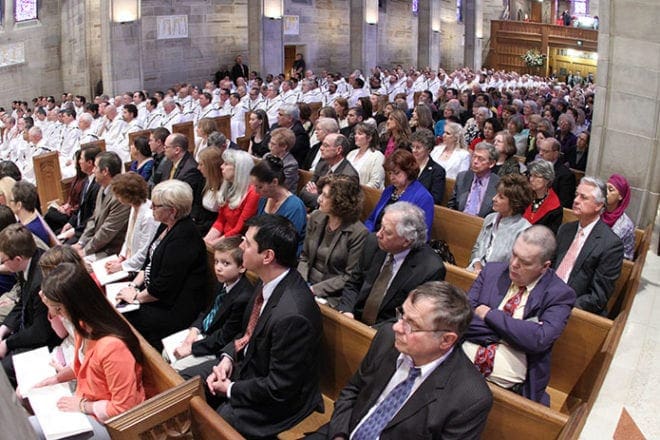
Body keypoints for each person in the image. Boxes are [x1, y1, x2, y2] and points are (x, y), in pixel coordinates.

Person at [312, 281, 492, 439]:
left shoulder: (470, 397)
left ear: (446, 340)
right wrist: (339, 435)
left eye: (411, 325)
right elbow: (352, 390)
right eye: (402, 315)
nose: (397, 327)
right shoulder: (387, 338)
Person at [198, 215, 323, 438]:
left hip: (283, 398)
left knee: (219, 423)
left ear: (267, 256)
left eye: (247, 242)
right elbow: (246, 333)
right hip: (250, 369)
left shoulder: (292, 315)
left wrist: (230, 388)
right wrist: (227, 359)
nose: (240, 246)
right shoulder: (268, 281)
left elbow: (280, 386)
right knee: (191, 382)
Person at [462, 226, 576, 405]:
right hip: (460, 370)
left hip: (511, 390)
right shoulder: (492, 272)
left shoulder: (559, 294)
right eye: (514, 254)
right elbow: (463, 319)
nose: (514, 264)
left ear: (544, 267)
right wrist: (514, 336)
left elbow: (539, 339)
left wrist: (491, 316)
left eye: (525, 262)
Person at [29, 262, 145, 438]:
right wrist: (56, 379)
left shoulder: (112, 347)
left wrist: (83, 406)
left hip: (112, 423)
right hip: (87, 400)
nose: (56, 313)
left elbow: (123, 408)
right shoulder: (83, 327)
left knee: (32, 430)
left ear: (76, 304)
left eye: (58, 308)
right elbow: (83, 364)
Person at [115, 180, 210, 350]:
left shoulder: (184, 238)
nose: (151, 208)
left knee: (121, 321)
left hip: (173, 308)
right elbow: (148, 263)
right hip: (153, 294)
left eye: (156, 206)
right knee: (116, 303)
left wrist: (135, 297)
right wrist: (132, 286)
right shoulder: (165, 225)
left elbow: (163, 289)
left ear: (172, 211)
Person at [337, 202, 445, 326]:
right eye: (381, 227)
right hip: (354, 319)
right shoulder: (372, 243)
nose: (378, 234)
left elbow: (411, 316)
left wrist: (373, 332)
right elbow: (354, 283)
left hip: (388, 331)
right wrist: (347, 311)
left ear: (406, 241)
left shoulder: (430, 269)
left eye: (387, 232)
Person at [170, 237, 253, 371]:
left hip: (216, 348)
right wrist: (194, 330)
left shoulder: (243, 297)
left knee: (176, 368)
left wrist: (191, 348)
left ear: (242, 267)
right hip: (203, 335)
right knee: (166, 352)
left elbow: (224, 337)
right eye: (216, 262)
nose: (218, 268)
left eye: (226, 263)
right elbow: (207, 311)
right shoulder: (222, 282)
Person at [553, 177, 624, 315]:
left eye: (583, 197)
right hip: (548, 296)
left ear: (598, 205)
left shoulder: (611, 244)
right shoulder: (565, 229)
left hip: (574, 310)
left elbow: (598, 297)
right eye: (576, 195)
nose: (576, 200)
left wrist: (562, 306)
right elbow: (550, 267)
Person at [0, 224, 60, 386]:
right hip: (31, 329)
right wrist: (3, 330)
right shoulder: (27, 262)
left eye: (3, 260)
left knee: (4, 370)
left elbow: (41, 333)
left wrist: (8, 343)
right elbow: (22, 302)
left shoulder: (39, 282)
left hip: (48, 342)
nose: (2, 263)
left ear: (17, 259)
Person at [298, 175, 368, 305]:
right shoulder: (316, 217)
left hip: (331, 296)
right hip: (305, 283)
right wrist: (301, 283)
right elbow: (304, 257)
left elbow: (348, 277)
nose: (319, 199)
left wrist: (314, 290)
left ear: (340, 201)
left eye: (325, 196)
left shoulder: (358, 233)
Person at [468, 174, 533, 273]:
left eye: (501, 197)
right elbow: (476, 248)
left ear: (514, 203)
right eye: (496, 194)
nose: (494, 198)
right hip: (475, 272)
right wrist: (477, 265)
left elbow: (515, 265)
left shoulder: (525, 230)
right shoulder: (490, 218)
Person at [72, 152, 130, 258]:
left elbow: (107, 231)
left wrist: (85, 251)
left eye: (95, 167)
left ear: (105, 171)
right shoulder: (102, 187)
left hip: (112, 250)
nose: (93, 170)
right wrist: (81, 243)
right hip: (96, 245)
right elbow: (93, 219)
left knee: (74, 265)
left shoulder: (120, 196)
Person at [364, 149, 434, 236]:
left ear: (409, 171)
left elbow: (422, 234)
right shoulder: (389, 190)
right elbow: (372, 219)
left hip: (398, 244)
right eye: (389, 173)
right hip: (377, 237)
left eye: (396, 173)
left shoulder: (423, 197)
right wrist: (367, 235)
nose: (392, 177)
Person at [103, 173, 159, 275]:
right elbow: (129, 238)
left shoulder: (149, 216)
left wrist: (121, 266)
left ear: (128, 195)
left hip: (141, 269)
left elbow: (144, 252)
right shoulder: (134, 207)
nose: (117, 198)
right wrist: (121, 258)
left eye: (119, 195)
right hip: (129, 261)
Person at [250, 155, 306, 253]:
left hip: (280, 255)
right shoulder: (264, 198)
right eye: (255, 186)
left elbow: (287, 244)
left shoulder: (295, 207)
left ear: (274, 182)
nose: (256, 191)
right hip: (262, 249)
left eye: (260, 187)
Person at [204, 149, 259, 246]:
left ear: (239, 169)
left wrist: (215, 244)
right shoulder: (228, 187)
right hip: (224, 237)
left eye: (226, 164)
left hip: (237, 242)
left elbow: (239, 228)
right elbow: (220, 220)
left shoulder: (253, 193)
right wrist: (207, 240)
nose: (221, 167)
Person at [299, 133, 359, 210]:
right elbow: (303, 193)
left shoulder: (349, 176)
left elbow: (338, 206)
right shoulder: (322, 164)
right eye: (322, 145)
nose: (321, 148)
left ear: (339, 150)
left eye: (325, 145)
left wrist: (318, 196)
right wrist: (321, 197)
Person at [58, 145, 102, 244]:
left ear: (90, 162)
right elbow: (81, 208)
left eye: (81, 159)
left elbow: (93, 216)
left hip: (86, 232)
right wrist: (70, 223)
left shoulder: (97, 186)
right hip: (78, 226)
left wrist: (75, 231)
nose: (79, 162)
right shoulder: (87, 180)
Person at [159, 133, 205, 227]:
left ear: (177, 150)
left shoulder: (191, 170)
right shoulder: (168, 162)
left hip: (182, 215)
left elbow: (182, 200)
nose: (164, 149)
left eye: (166, 147)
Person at [448, 142, 500, 218]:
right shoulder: (462, 177)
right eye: (474, 157)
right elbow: (451, 204)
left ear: (491, 163)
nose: (475, 161)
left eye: (480, 159)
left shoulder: (498, 184)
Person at [523, 160, 563, 234]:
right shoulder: (524, 196)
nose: (531, 179)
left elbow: (550, 234)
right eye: (531, 175)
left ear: (547, 180)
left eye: (536, 176)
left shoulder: (555, 208)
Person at [602, 174, 635, 260]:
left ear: (620, 196)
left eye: (610, 190)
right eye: (605, 188)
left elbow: (627, 257)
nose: (605, 192)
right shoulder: (598, 212)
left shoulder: (626, 225)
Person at [9, 180, 51, 246]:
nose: (9, 204)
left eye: (11, 200)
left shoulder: (30, 232)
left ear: (19, 205)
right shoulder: (27, 221)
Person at [537, 137, 576, 208]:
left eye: (545, 151)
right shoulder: (536, 168)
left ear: (555, 154)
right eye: (540, 150)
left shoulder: (566, 175)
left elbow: (564, 203)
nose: (540, 154)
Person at [410, 128, 446, 205]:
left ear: (429, 149)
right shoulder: (407, 164)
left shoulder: (437, 171)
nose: (414, 150)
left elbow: (436, 199)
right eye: (413, 147)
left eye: (418, 147)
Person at [346, 122, 385, 189]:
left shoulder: (377, 156)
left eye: (360, 134)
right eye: (355, 133)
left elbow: (375, 182)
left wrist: (356, 193)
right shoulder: (351, 153)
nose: (356, 136)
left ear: (369, 138)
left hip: (366, 195)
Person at [264, 127, 300, 193]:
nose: (269, 146)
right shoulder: (267, 156)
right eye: (270, 143)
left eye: (273, 144)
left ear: (284, 147)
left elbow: (282, 186)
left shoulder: (291, 164)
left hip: (282, 196)